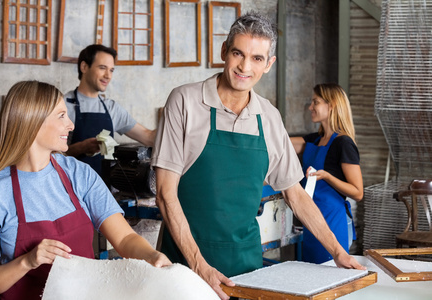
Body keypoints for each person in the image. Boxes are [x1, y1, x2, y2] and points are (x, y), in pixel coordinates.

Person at [151, 12, 365, 300]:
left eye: (257, 58)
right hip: (185, 267)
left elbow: (296, 194)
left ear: (269, 64)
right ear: (224, 51)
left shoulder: (269, 117)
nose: (244, 66)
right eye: (238, 53)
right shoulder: (185, 101)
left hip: (247, 269)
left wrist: (338, 252)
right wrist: (199, 266)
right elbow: (165, 194)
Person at [0, 81, 171, 299]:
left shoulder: (79, 174)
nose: (71, 125)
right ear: (33, 121)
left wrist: (152, 256)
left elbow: (125, 238)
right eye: (61, 115)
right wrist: (27, 261)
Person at [290, 83, 364, 264]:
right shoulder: (314, 140)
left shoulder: (343, 143)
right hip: (311, 219)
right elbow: (282, 142)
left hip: (332, 221)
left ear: (331, 106)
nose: (310, 107)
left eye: (315, 102)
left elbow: (358, 192)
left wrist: (329, 177)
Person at [65, 44, 156, 175]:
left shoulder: (112, 108)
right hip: (71, 187)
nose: (108, 75)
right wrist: (81, 147)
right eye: (102, 68)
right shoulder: (63, 105)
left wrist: (176, 122)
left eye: (111, 70)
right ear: (84, 67)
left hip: (105, 189)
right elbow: (50, 155)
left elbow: (148, 137)